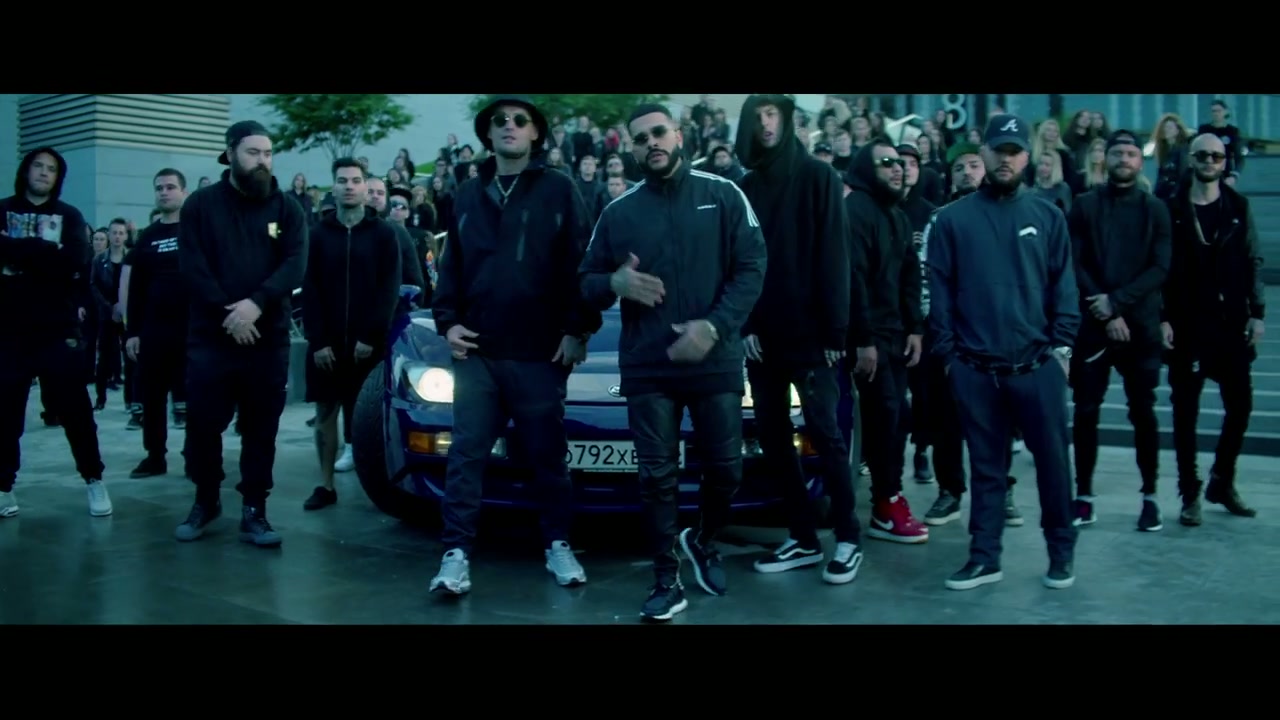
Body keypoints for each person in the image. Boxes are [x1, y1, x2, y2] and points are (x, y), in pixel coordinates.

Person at [579, 103, 766, 621]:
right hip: (648, 365)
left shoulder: (723, 193)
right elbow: (585, 281)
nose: (651, 144)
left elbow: (753, 266)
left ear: (679, 136)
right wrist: (613, 282)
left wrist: (715, 326)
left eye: (658, 133)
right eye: (640, 139)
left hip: (715, 358)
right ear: (632, 149)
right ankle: (666, 577)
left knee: (726, 468)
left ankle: (702, 539)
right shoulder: (618, 212)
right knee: (656, 477)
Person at [429, 96, 601, 596]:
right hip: (478, 349)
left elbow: (582, 262)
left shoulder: (559, 188)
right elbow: (452, 265)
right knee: (466, 454)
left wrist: (578, 330)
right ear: (488, 134)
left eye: (519, 121)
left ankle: (558, 543)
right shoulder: (467, 192)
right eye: (499, 121)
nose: (509, 126)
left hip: (539, 350)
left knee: (547, 455)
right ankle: (455, 554)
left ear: (534, 134)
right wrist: (447, 323)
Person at [927, 114, 1081, 591]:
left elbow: (1065, 286)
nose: (1006, 159)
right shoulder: (952, 220)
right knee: (986, 469)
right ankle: (984, 557)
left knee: (1054, 467)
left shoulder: (1048, 216)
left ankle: (1061, 553)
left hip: (1038, 366)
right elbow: (940, 292)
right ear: (985, 154)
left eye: (1015, 151)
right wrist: (950, 358)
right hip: (976, 369)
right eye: (999, 151)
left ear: (1026, 157)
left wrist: (1062, 348)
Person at [731, 94, 864, 584]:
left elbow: (834, 254)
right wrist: (745, 324)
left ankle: (847, 537)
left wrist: (835, 330)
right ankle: (803, 537)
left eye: (773, 114)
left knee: (825, 434)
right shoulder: (746, 185)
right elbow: (741, 259)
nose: (766, 123)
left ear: (786, 119)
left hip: (813, 335)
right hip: (762, 338)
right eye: (758, 115)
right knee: (772, 437)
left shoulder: (819, 176)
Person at [174, 120, 308, 546]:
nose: (262, 161)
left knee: (261, 427)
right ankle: (206, 499)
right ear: (230, 153)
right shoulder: (200, 205)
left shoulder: (287, 208)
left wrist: (256, 304)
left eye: (268, 153)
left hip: (267, 339)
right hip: (211, 337)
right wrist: (229, 314)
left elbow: (295, 264)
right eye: (253, 153)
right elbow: (192, 266)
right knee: (202, 424)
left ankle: (255, 510)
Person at [1066, 130, 1171, 530]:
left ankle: (1150, 497)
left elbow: (1160, 267)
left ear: (1140, 161)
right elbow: (1074, 262)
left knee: (1143, 412)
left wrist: (1118, 303)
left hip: (1140, 328)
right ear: (1104, 159)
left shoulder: (1155, 209)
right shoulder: (1084, 205)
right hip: (1094, 325)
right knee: (1086, 411)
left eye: (1130, 153)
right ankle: (1084, 495)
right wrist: (1107, 312)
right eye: (1117, 153)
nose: (1124, 159)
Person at [0, 147, 110, 519]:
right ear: (25, 170)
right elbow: (56, 259)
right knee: (5, 413)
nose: (44, 172)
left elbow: (76, 260)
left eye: (51, 168)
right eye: (38, 166)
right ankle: (3, 486)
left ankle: (94, 478)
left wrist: (15, 254)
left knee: (75, 410)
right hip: (9, 331)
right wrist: (44, 249)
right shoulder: (3, 209)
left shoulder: (69, 215)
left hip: (56, 328)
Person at [1161, 132, 1263, 525]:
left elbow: (1253, 258)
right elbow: (1159, 265)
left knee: (1241, 406)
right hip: (1186, 323)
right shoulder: (1171, 208)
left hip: (1230, 322)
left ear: (1225, 163)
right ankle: (1190, 493)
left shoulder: (1238, 206)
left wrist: (1257, 311)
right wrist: (1161, 317)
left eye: (1216, 157)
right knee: (1185, 413)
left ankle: (1222, 479)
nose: (1209, 161)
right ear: (1191, 159)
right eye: (1202, 155)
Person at [302, 158, 401, 511]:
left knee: (371, 418)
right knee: (325, 412)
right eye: (342, 180)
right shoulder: (316, 234)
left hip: (368, 346)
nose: (349, 186)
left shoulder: (384, 234)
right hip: (326, 346)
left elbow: (388, 289)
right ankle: (325, 485)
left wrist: (370, 336)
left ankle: (379, 486)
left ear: (365, 186)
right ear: (333, 186)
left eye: (356, 180)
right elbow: (309, 290)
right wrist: (318, 341)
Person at [844, 140, 928, 544]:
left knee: (898, 418)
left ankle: (889, 495)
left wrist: (915, 328)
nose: (897, 169)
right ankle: (886, 503)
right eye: (886, 163)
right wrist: (863, 340)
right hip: (869, 338)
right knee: (885, 417)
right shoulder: (855, 212)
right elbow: (853, 280)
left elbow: (910, 275)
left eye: (899, 163)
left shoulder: (896, 215)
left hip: (895, 335)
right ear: (866, 169)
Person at [124, 168, 191, 478]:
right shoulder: (147, 236)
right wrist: (132, 332)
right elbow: (136, 288)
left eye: (170, 187)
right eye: (159, 188)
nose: (164, 192)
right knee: (152, 396)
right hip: (154, 330)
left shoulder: (195, 230)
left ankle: (195, 454)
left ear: (183, 192)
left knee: (194, 397)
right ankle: (155, 456)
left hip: (191, 329)